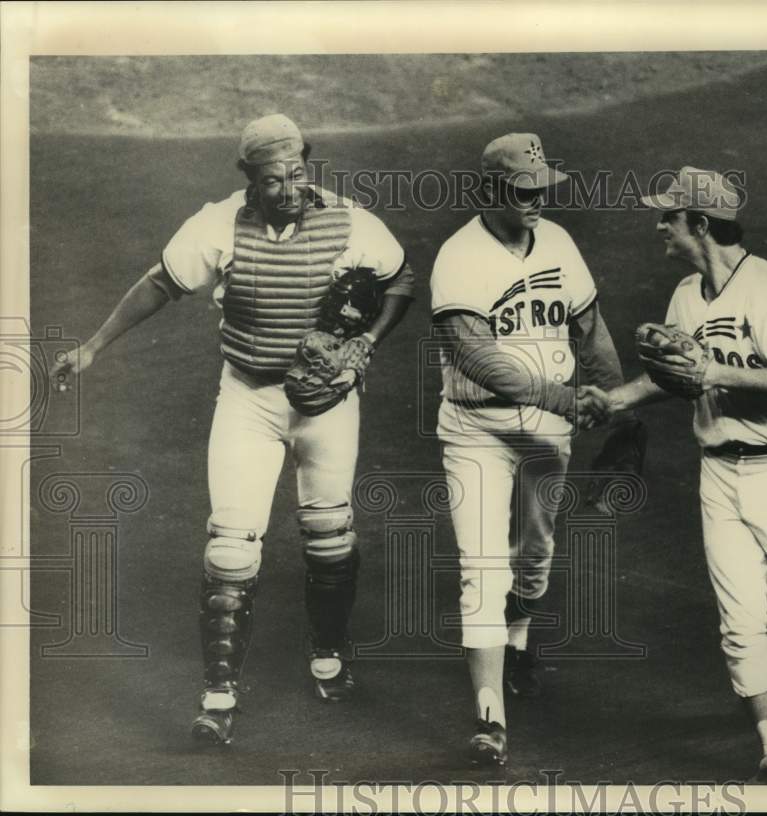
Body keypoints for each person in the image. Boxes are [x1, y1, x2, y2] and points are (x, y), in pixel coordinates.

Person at [50, 114, 415, 745]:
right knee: (230, 545)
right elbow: (161, 283)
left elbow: (400, 280)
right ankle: (217, 695)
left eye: (298, 172)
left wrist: (365, 346)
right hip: (249, 397)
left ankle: (328, 654)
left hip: (329, 403)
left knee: (329, 534)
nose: (288, 188)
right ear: (248, 178)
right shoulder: (219, 225)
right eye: (272, 180)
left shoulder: (351, 222)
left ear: (309, 163)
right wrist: (92, 347)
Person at [605, 166, 767, 784]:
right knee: (739, 623)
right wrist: (609, 401)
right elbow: (676, 376)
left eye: (670, 215)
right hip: (719, 475)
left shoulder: (766, 286)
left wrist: (717, 374)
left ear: (700, 223)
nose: (661, 224)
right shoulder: (688, 295)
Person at [429, 133, 629, 766]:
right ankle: (490, 718)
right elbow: (482, 362)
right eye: (523, 192)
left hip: (545, 432)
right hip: (476, 431)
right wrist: (571, 401)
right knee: (481, 570)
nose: (537, 200)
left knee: (535, 558)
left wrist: (620, 410)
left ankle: (518, 641)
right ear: (489, 190)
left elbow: (590, 330)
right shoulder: (459, 258)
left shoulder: (559, 243)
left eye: (543, 189)